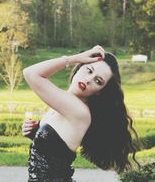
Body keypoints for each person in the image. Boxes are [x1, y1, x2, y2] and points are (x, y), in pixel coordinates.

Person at [22, 45, 141, 182]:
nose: (88, 80)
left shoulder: (78, 111)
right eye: (89, 70)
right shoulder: (65, 104)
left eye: (98, 81)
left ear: (100, 91)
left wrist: (74, 58)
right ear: (79, 68)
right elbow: (53, 154)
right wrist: (35, 135)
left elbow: (31, 73)